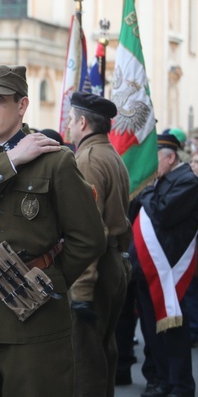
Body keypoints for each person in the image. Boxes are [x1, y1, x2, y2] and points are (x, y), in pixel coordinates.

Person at [0, 63, 106, 396]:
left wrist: (47, 278)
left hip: (34, 311)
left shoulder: (55, 161)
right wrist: (11, 159)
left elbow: (89, 239)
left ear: (22, 104)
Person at [66, 92, 132, 397]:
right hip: (113, 261)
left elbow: (89, 230)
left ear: (82, 122)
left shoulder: (89, 159)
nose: (67, 125)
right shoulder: (110, 154)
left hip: (96, 267)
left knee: (86, 359)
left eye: (70, 119)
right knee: (104, 350)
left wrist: (81, 289)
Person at [131, 133, 198, 397]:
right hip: (148, 269)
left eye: (153, 160)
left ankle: (181, 385)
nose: (150, 167)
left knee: (173, 333)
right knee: (152, 331)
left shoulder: (188, 182)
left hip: (171, 269)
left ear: (170, 157)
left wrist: (146, 188)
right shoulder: (163, 178)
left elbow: (163, 212)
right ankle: (163, 380)